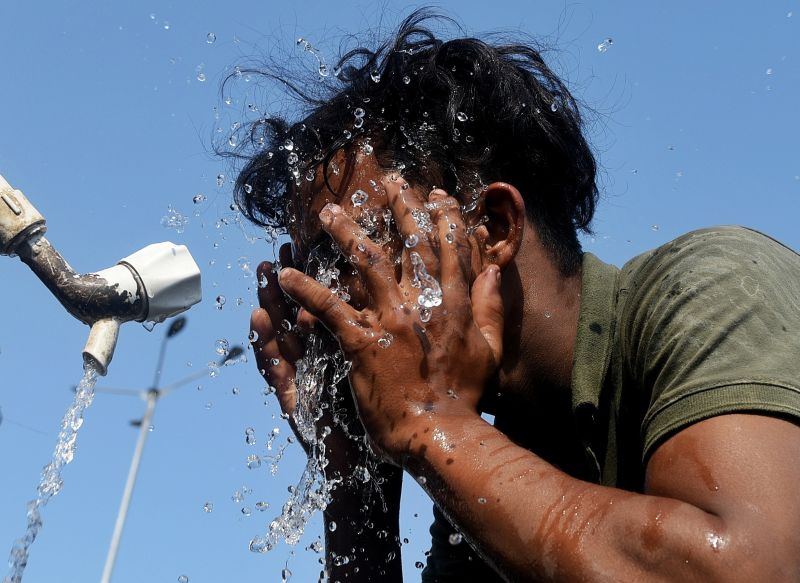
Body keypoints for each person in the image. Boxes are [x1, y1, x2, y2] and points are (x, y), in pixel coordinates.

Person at [236, 10, 800, 582]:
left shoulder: (711, 284)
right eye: (308, 272)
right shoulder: (490, 460)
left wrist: (431, 426)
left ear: (492, 229)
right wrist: (357, 482)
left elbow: (752, 571)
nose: (311, 309)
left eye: (347, 255)